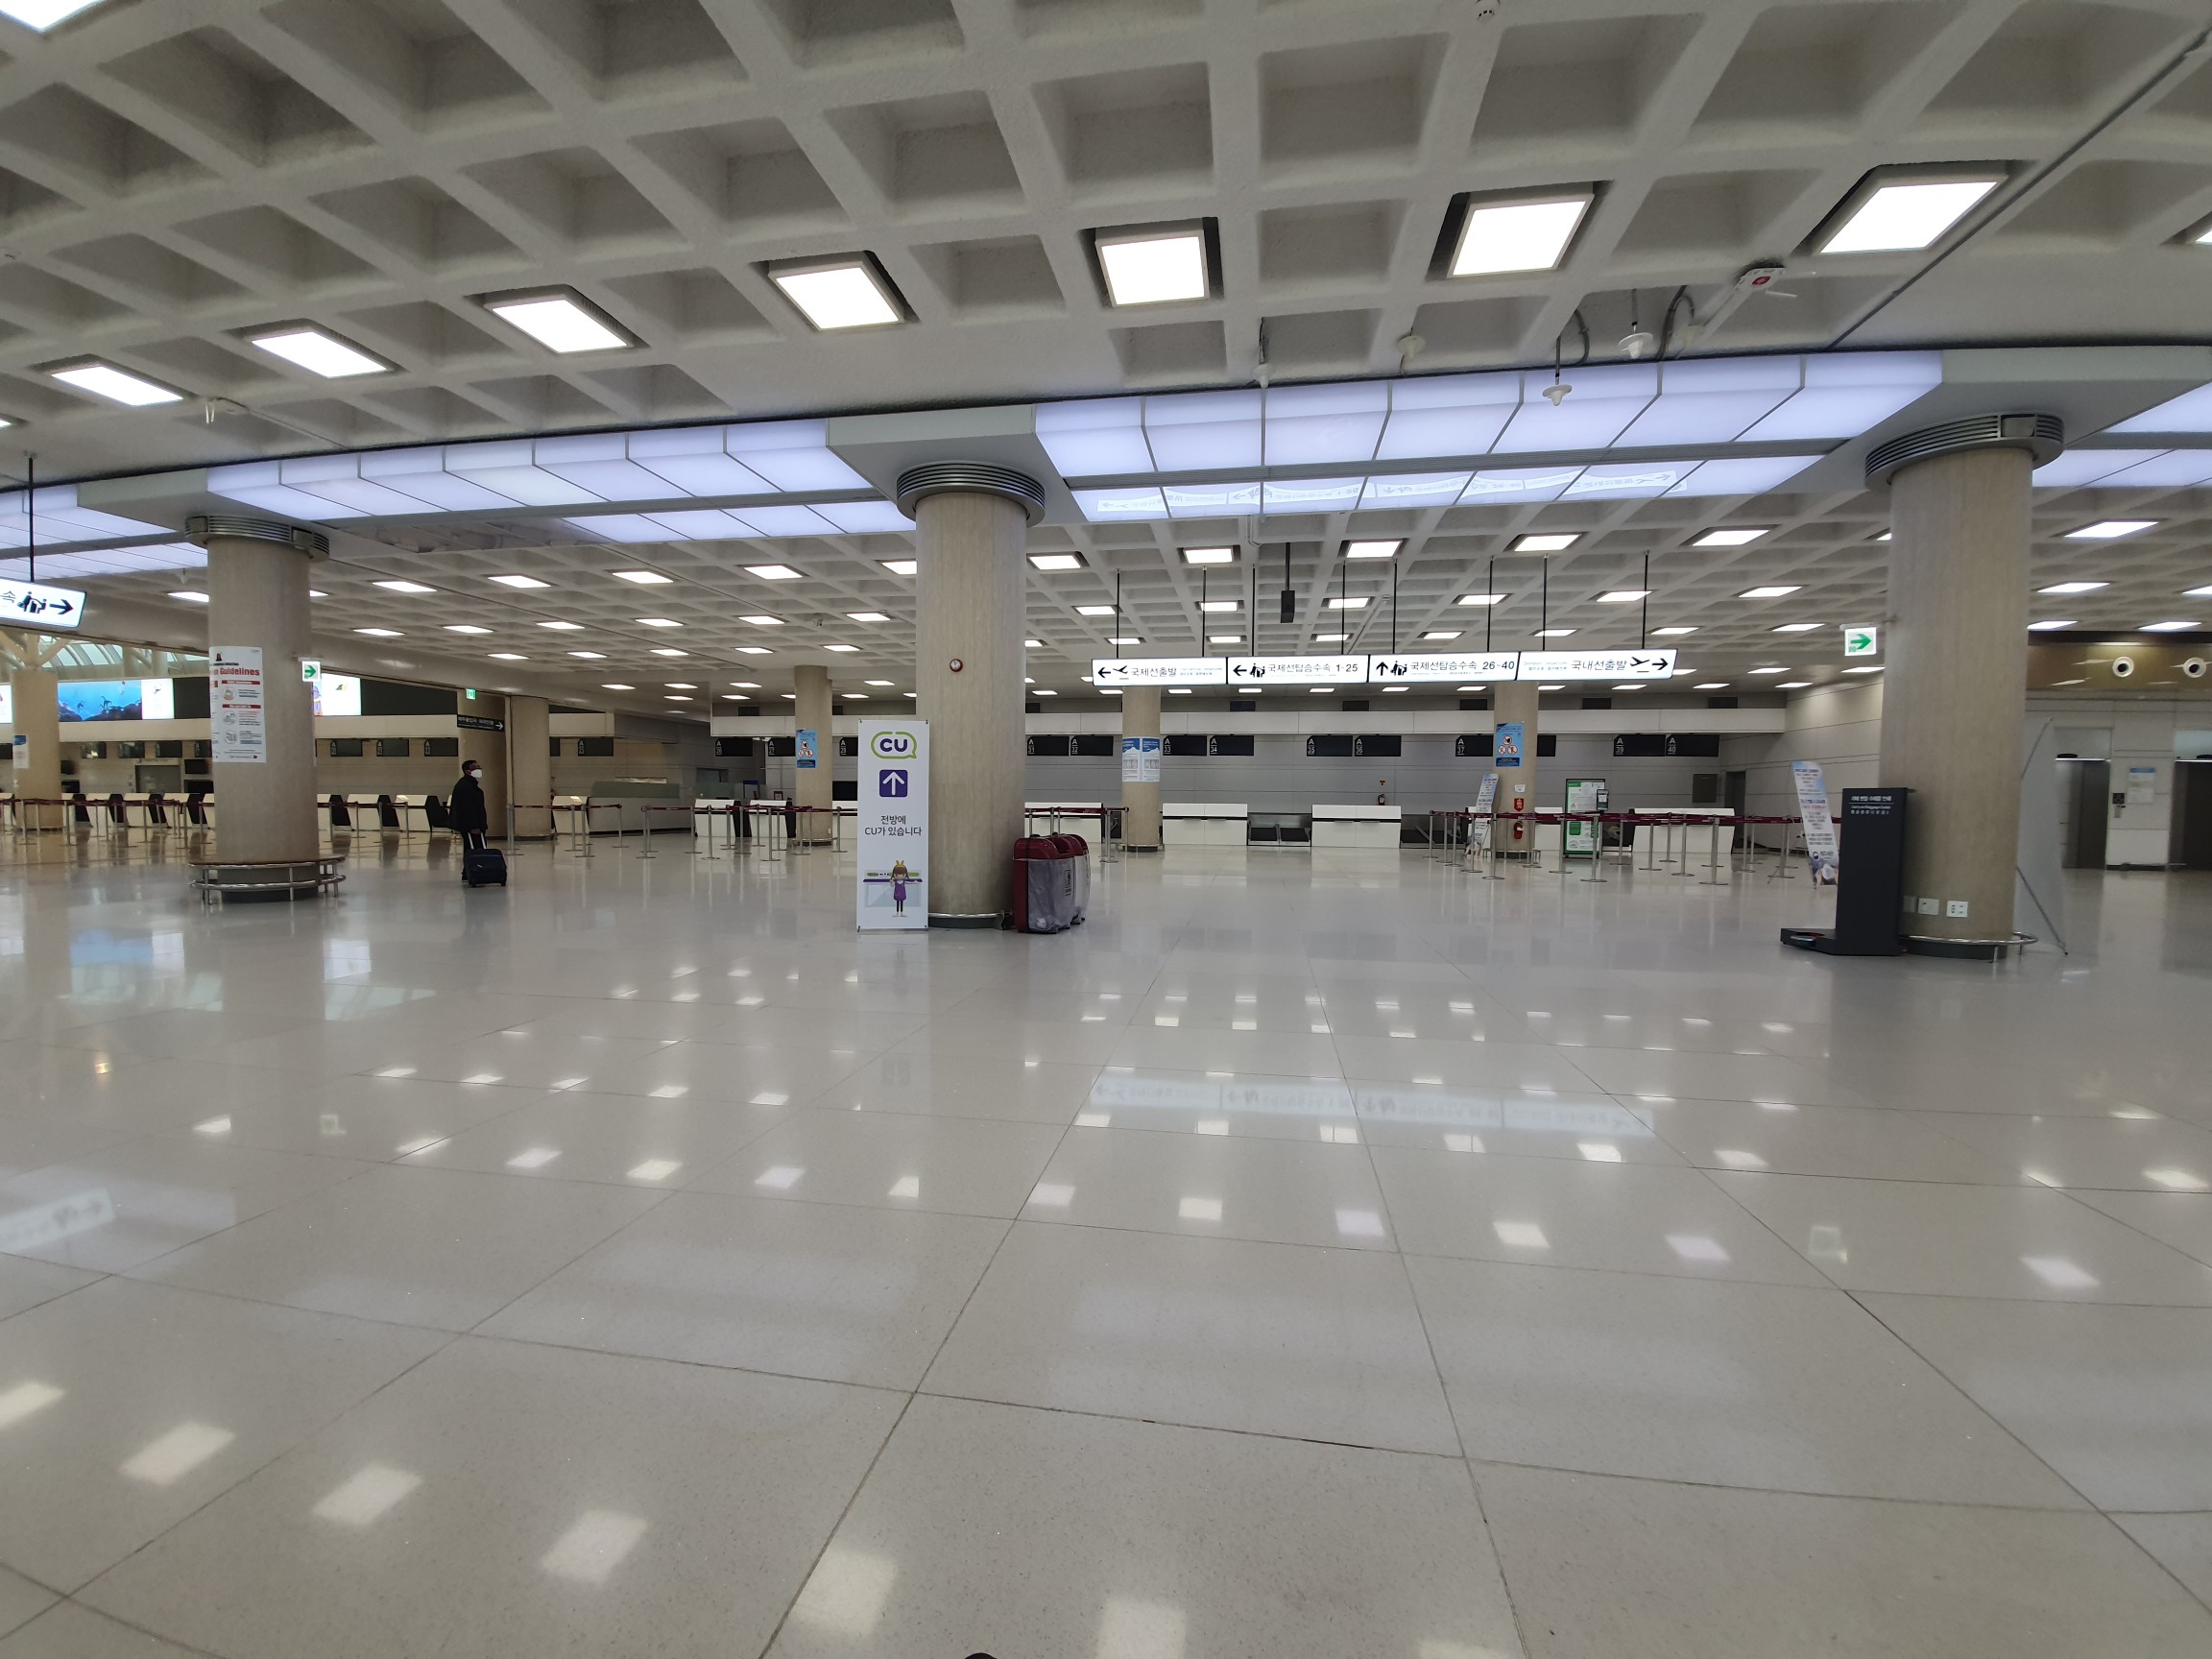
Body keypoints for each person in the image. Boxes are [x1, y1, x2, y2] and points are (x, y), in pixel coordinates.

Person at [449, 762, 489, 850]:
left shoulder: (470, 785)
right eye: (475, 768)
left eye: (479, 768)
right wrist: (473, 826)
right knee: (475, 847)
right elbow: (467, 808)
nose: (479, 770)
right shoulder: (465, 787)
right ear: (467, 771)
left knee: (475, 847)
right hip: (471, 826)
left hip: (473, 824)